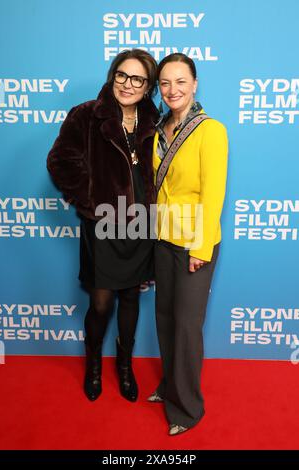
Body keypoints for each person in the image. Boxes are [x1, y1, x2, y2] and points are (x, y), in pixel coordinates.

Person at [47, 49, 159, 403]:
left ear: (148, 86)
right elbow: (60, 162)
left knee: (130, 298)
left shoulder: (154, 120)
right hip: (103, 226)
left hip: (141, 225)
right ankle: (93, 365)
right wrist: (92, 204)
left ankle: (124, 368)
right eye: (122, 75)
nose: (128, 84)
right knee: (100, 303)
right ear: (112, 76)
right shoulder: (87, 115)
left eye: (138, 79)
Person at [148, 53, 228, 435]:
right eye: (165, 83)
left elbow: (213, 195)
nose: (172, 89)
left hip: (194, 244)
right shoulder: (160, 127)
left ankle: (187, 409)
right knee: (164, 318)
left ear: (195, 84)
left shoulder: (210, 130)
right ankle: (169, 386)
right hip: (162, 238)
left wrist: (200, 247)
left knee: (185, 325)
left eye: (181, 81)